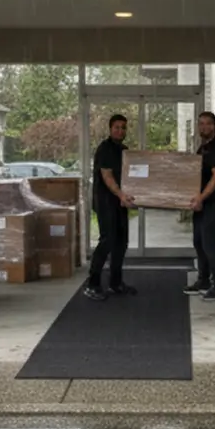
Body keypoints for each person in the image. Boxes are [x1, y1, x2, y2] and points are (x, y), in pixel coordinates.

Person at [83, 114, 136, 301]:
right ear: (110, 129)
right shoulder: (104, 149)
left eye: (123, 127)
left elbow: (130, 176)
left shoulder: (124, 150)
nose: (120, 130)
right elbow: (107, 177)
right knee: (107, 241)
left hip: (120, 202)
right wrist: (121, 194)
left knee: (121, 242)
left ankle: (116, 283)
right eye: (117, 127)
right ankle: (93, 284)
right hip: (106, 201)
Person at [184, 111, 215, 300]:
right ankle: (203, 280)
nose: (204, 127)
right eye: (201, 124)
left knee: (210, 243)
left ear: (214, 126)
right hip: (201, 203)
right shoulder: (202, 148)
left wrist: (201, 198)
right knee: (198, 241)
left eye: (208, 124)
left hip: (214, 203)